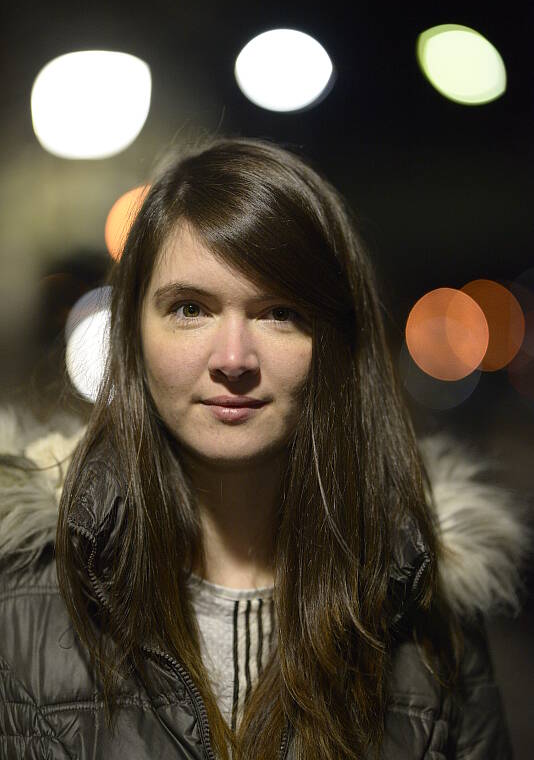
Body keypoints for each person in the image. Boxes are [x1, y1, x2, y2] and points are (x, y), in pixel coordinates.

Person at [0, 135, 531, 760]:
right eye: (190, 308)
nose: (233, 359)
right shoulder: (21, 599)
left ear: (336, 343)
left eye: (279, 312)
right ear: (133, 335)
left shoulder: (424, 606)